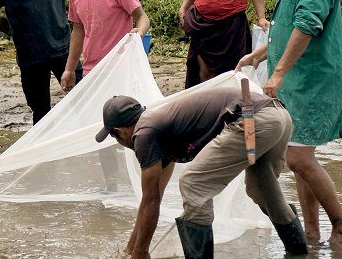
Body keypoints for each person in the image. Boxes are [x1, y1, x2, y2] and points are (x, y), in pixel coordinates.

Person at [236, 0, 342, 250]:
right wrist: (260, 54)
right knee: (301, 158)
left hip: (314, 81)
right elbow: (287, 23)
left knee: (298, 158)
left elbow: (305, 27)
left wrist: (277, 73)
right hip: (296, 79)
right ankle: (314, 233)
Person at [96, 89, 308, 258]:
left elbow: (151, 201)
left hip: (253, 119)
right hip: (277, 116)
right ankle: (299, 252)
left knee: (192, 183)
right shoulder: (160, 129)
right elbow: (151, 200)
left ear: (120, 132)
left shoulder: (144, 135)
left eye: (115, 138)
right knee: (262, 190)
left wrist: (141, 253)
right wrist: (132, 249)